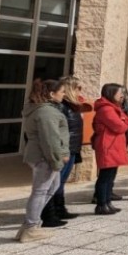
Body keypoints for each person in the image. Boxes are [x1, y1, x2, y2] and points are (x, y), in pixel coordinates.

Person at [17, 79, 69, 243]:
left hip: (40, 155)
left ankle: (29, 225)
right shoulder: (47, 113)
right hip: (44, 157)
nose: (64, 94)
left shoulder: (40, 109)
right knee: (40, 191)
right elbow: (50, 140)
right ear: (52, 94)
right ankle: (30, 227)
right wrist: (56, 160)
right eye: (62, 92)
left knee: (51, 187)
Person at [40, 76, 92, 226]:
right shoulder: (61, 107)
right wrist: (62, 151)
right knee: (53, 182)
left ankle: (59, 208)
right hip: (64, 149)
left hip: (72, 148)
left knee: (60, 182)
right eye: (78, 88)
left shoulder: (72, 106)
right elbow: (57, 131)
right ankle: (48, 214)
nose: (80, 91)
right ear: (70, 89)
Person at [92, 83, 128, 215]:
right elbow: (119, 126)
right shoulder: (106, 109)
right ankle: (101, 204)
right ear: (111, 93)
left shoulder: (115, 108)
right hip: (108, 146)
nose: (122, 95)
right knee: (105, 176)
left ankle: (108, 201)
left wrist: (124, 121)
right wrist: (124, 122)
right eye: (120, 93)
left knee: (111, 175)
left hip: (114, 145)